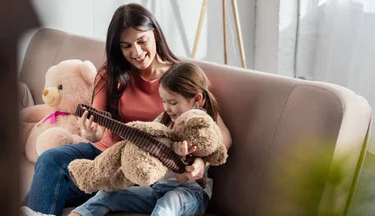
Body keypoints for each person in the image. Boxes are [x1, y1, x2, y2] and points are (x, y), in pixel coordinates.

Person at [20, 3, 214, 216]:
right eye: (126, 46)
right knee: (50, 161)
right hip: (103, 155)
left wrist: (199, 160)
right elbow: (96, 128)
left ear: (155, 35)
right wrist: (91, 134)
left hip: (142, 166)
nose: (137, 52)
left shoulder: (179, 78)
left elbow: (218, 133)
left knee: (45, 191)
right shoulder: (112, 73)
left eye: (142, 41)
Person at [68, 62, 232, 216]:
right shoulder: (165, 118)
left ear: (197, 100)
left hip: (189, 192)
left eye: (173, 102)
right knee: (107, 194)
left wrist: (200, 161)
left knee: (168, 203)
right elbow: (146, 137)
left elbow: (224, 141)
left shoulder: (202, 124)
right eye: (164, 101)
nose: (167, 108)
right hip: (158, 188)